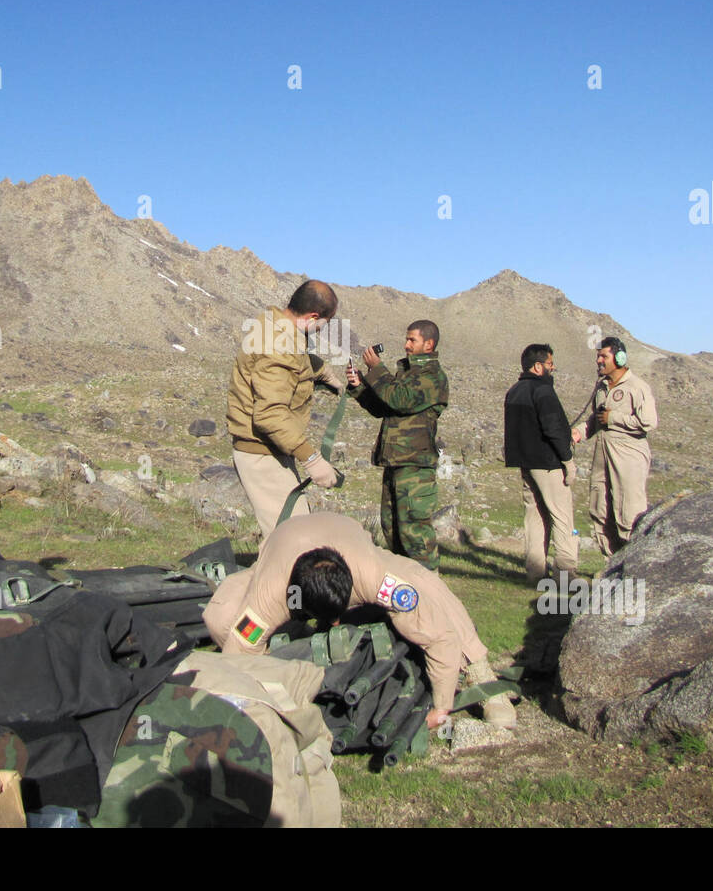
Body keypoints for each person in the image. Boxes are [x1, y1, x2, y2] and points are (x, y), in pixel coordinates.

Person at [203, 511, 516, 728]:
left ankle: (481, 671)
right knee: (221, 617)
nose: (336, 624)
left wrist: (442, 707)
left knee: (427, 586)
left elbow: (439, 634)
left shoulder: (373, 575)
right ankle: (287, 655)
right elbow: (240, 649)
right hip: (282, 546)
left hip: (346, 536)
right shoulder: (270, 595)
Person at [227, 280, 343, 539]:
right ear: (314, 317)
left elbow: (294, 358)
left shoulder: (275, 324)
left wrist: (324, 372)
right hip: (262, 454)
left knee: (288, 535)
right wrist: (312, 459)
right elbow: (270, 414)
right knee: (294, 540)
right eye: (324, 323)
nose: (321, 329)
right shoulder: (281, 343)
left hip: (271, 449)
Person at [346, 320, 448, 569]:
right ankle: (405, 591)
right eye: (407, 339)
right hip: (396, 461)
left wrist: (376, 369)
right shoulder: (408, 374)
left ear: (429, 344)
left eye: (412, 340)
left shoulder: (432, 376)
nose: (406, 345)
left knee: (414, 533)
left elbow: (400, 399)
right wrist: (360, 387)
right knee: (392, 528)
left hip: (415, 466)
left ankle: (429, 591)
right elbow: (385, 407)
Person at [570, 337, 657, 558]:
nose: (598, 360)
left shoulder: (637, 387)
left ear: (619, 358)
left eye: (603, 356)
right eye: (598, 356)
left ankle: (635, 566)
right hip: (602, 455)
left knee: (629, 512)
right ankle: (612, 565)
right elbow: (597, 419)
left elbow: (648, 422)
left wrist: (615, 418)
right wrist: (580, 432)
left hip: (628, 457)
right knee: (600, 511)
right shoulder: (601, 387)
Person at [503, 343, 577, 584]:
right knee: (562, 519)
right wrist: (567, 458)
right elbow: (552, 427)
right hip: (548, 464)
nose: (552, 368)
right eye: (549, 364)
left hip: (526, 465)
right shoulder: (543, 392)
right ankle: (565, 576)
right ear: (538, 366)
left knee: (534, 518)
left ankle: (535, 574)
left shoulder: (514, 391)